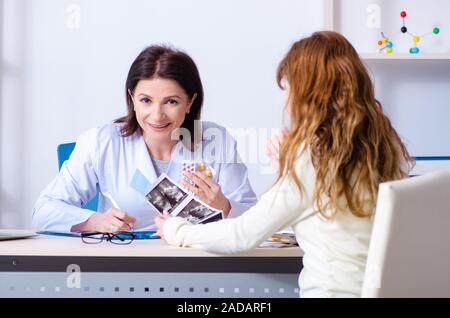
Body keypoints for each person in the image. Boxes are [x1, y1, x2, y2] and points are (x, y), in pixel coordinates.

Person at [155, 31, 414, 297]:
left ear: (308, 92)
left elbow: (243, 235)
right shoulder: (381, 141)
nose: (287, 98)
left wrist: (177, 231)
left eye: (288, 87)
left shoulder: (312, 154)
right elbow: (330, 210)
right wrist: (287, 167)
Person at [32, 45, 257, 234]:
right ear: (132, 98)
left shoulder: (215, 141)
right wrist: (93, 221)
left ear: (190, 101)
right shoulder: (102, 142)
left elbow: (258, 222)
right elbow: (44, 211)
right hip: (123, 263)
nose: (157, 116)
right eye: (146, 100)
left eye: (171, 102)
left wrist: (225, 207)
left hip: (197, 263)